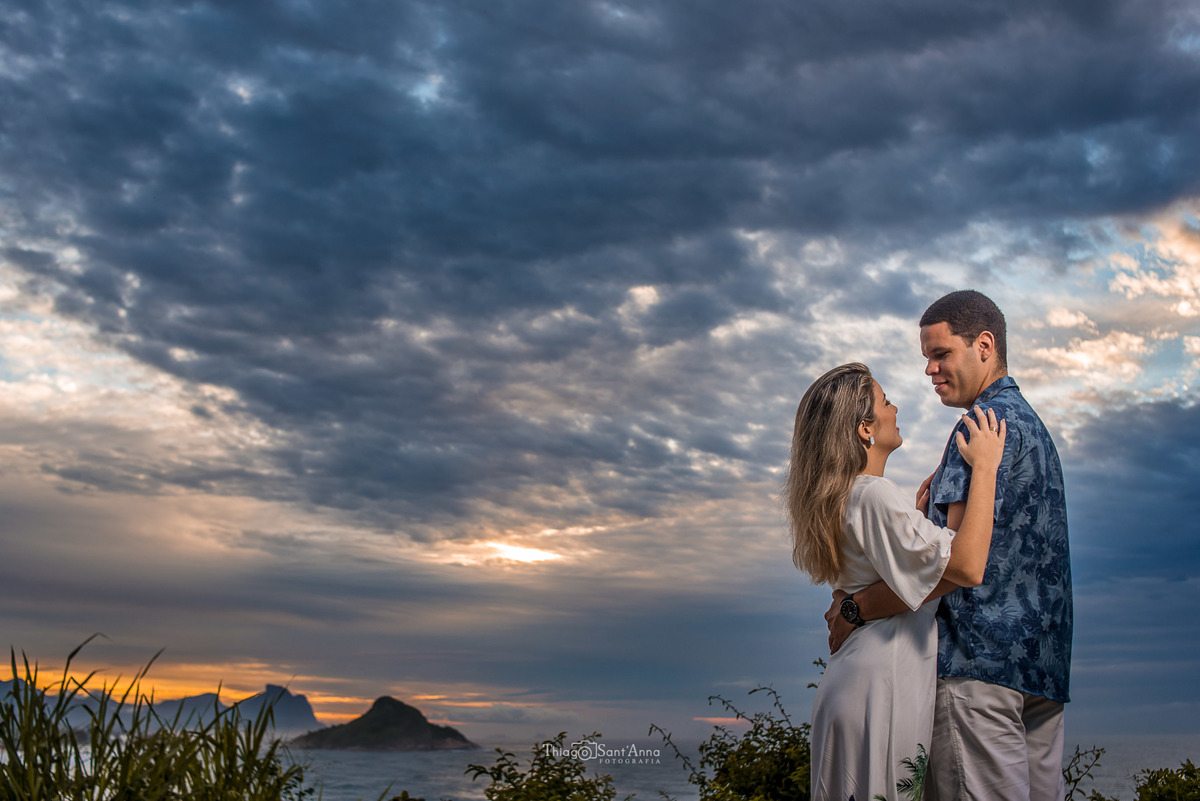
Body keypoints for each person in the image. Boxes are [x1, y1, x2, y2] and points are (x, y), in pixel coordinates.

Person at [824, 290, 1073, 801]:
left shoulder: (976, 431)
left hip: (976, 671)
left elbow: (954, 566)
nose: (930, 370)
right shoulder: (1035, 430)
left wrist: (855, 607)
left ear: (984, 345)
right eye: (927, 359)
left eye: (941, 355)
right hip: (1043, 669)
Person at [785, 362, 1006, 801]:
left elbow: (888, 576)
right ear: (865, 427)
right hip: (880, 685)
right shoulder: (873, 495)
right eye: (885, 402)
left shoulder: (848, 496)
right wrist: (985, 468)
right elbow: (967, 567)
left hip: (855, 680)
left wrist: (915, 523)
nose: (895, 407)